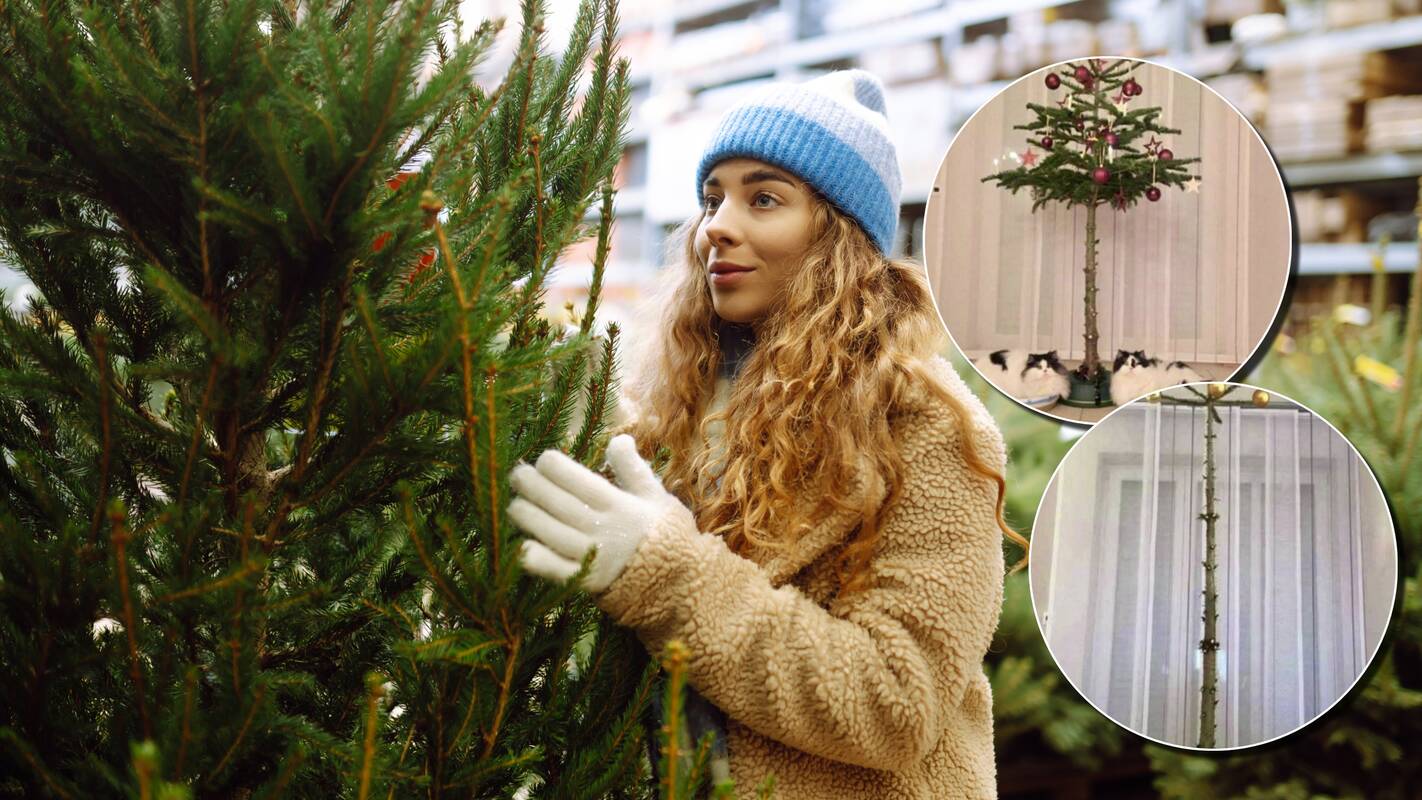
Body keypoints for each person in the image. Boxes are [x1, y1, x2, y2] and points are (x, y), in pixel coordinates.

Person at [508, 70, 1025, 799]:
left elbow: (898, 705)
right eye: (712, 197)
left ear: (839, 233)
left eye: (764, 198)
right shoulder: (675, 400)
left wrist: (666, 574)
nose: (716, 223)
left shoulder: (925, 425)